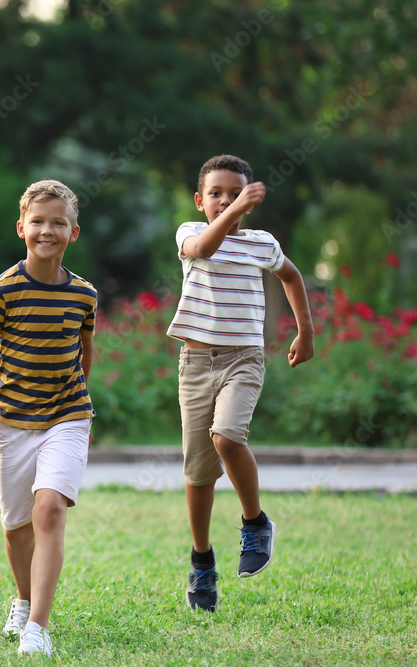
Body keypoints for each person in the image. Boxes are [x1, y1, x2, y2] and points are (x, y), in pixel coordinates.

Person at [167, 154, 314, 612]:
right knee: (198, 472)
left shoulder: (260, 243)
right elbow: (204, 250)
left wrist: (305, 329)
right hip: (195, 362)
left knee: (227, 437)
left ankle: (255, 522)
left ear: (248, 204)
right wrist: (232, 212)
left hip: (243, 359)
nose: (225, 200)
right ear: (199, 200)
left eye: (235, 194)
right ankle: (202, 561)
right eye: (216, 193)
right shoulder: (190, 232)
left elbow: (290, 274)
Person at [0, 179, 97, 657]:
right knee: (17, 528)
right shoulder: (4, 289)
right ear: (21, 228)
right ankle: (22, 599)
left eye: (58, 222)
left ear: (73, 232)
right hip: (11, 423)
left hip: (68, 416)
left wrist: (76, 402)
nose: (47, 230)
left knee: (49, 509)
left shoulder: (84, 295)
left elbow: (85, 352)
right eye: (38, 221)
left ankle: (37, 626)